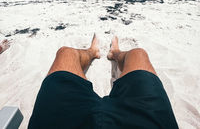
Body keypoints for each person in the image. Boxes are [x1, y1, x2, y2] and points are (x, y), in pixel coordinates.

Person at [28, 35, 178, 129]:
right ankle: (114, 52)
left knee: (66, 52)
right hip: (145, 122)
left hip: (60, 122)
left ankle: (94, 51)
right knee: (138, 53)